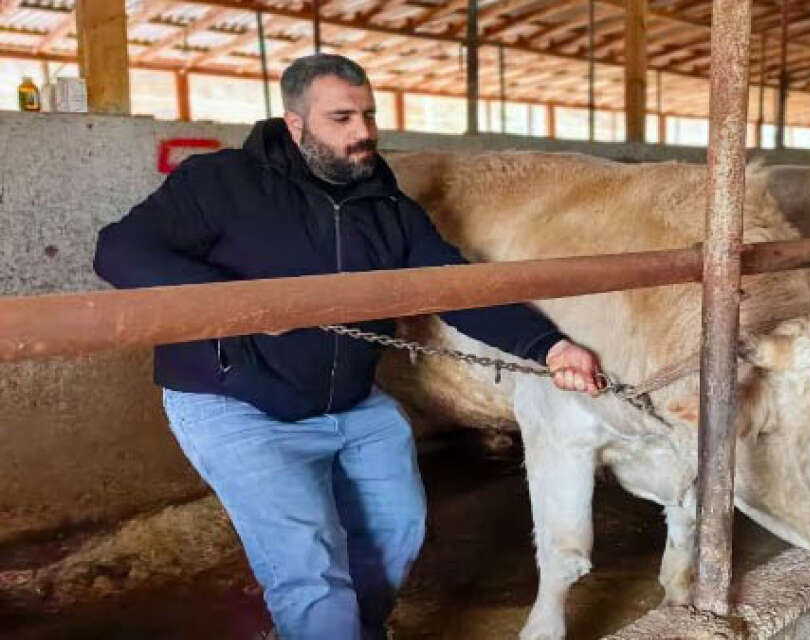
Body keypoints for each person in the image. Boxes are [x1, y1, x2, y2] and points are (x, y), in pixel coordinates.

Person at [92, 53, 602, 639]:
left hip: (352, 404)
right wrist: (238, 305)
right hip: (236, 402)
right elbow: (119, 250)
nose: (364, 132)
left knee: (396, 532)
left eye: (369, 115)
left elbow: (456, 287)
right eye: (341, 118)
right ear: (295, 124)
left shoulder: (387, 207)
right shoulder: (220, 182)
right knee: (310, 569)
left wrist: (549, 347)